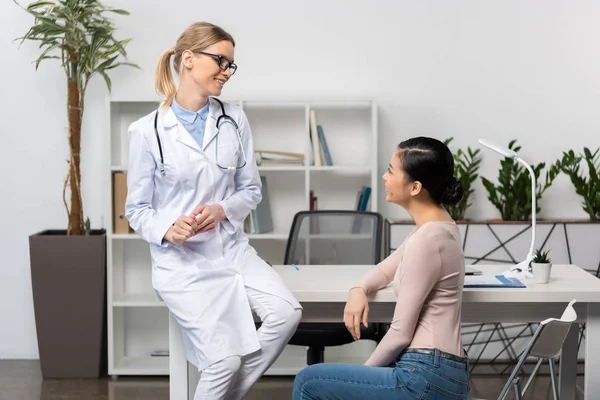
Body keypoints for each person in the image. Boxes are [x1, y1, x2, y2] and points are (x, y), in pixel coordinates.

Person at [125, 21, 302, 400]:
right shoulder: (147, 131)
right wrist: (168, 228)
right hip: (182, 261)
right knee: (223, 362)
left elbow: (251, 189)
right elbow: (136, 209)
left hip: (232, 248)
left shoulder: (233, 118)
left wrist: (222, 210)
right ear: (188, 59)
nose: (226, 71)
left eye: (230, 64)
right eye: (220, 60)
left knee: (286, 314)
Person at [293, 137, 470, 399]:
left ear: (415, 187)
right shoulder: (438, 227)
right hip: (441, 371)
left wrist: (365, 376)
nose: (385, 177)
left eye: (391, 171)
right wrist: (359, 288)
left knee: (309, 381)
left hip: (425, 375)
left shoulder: (427, 241)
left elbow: (399, 334)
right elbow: (385, 270)